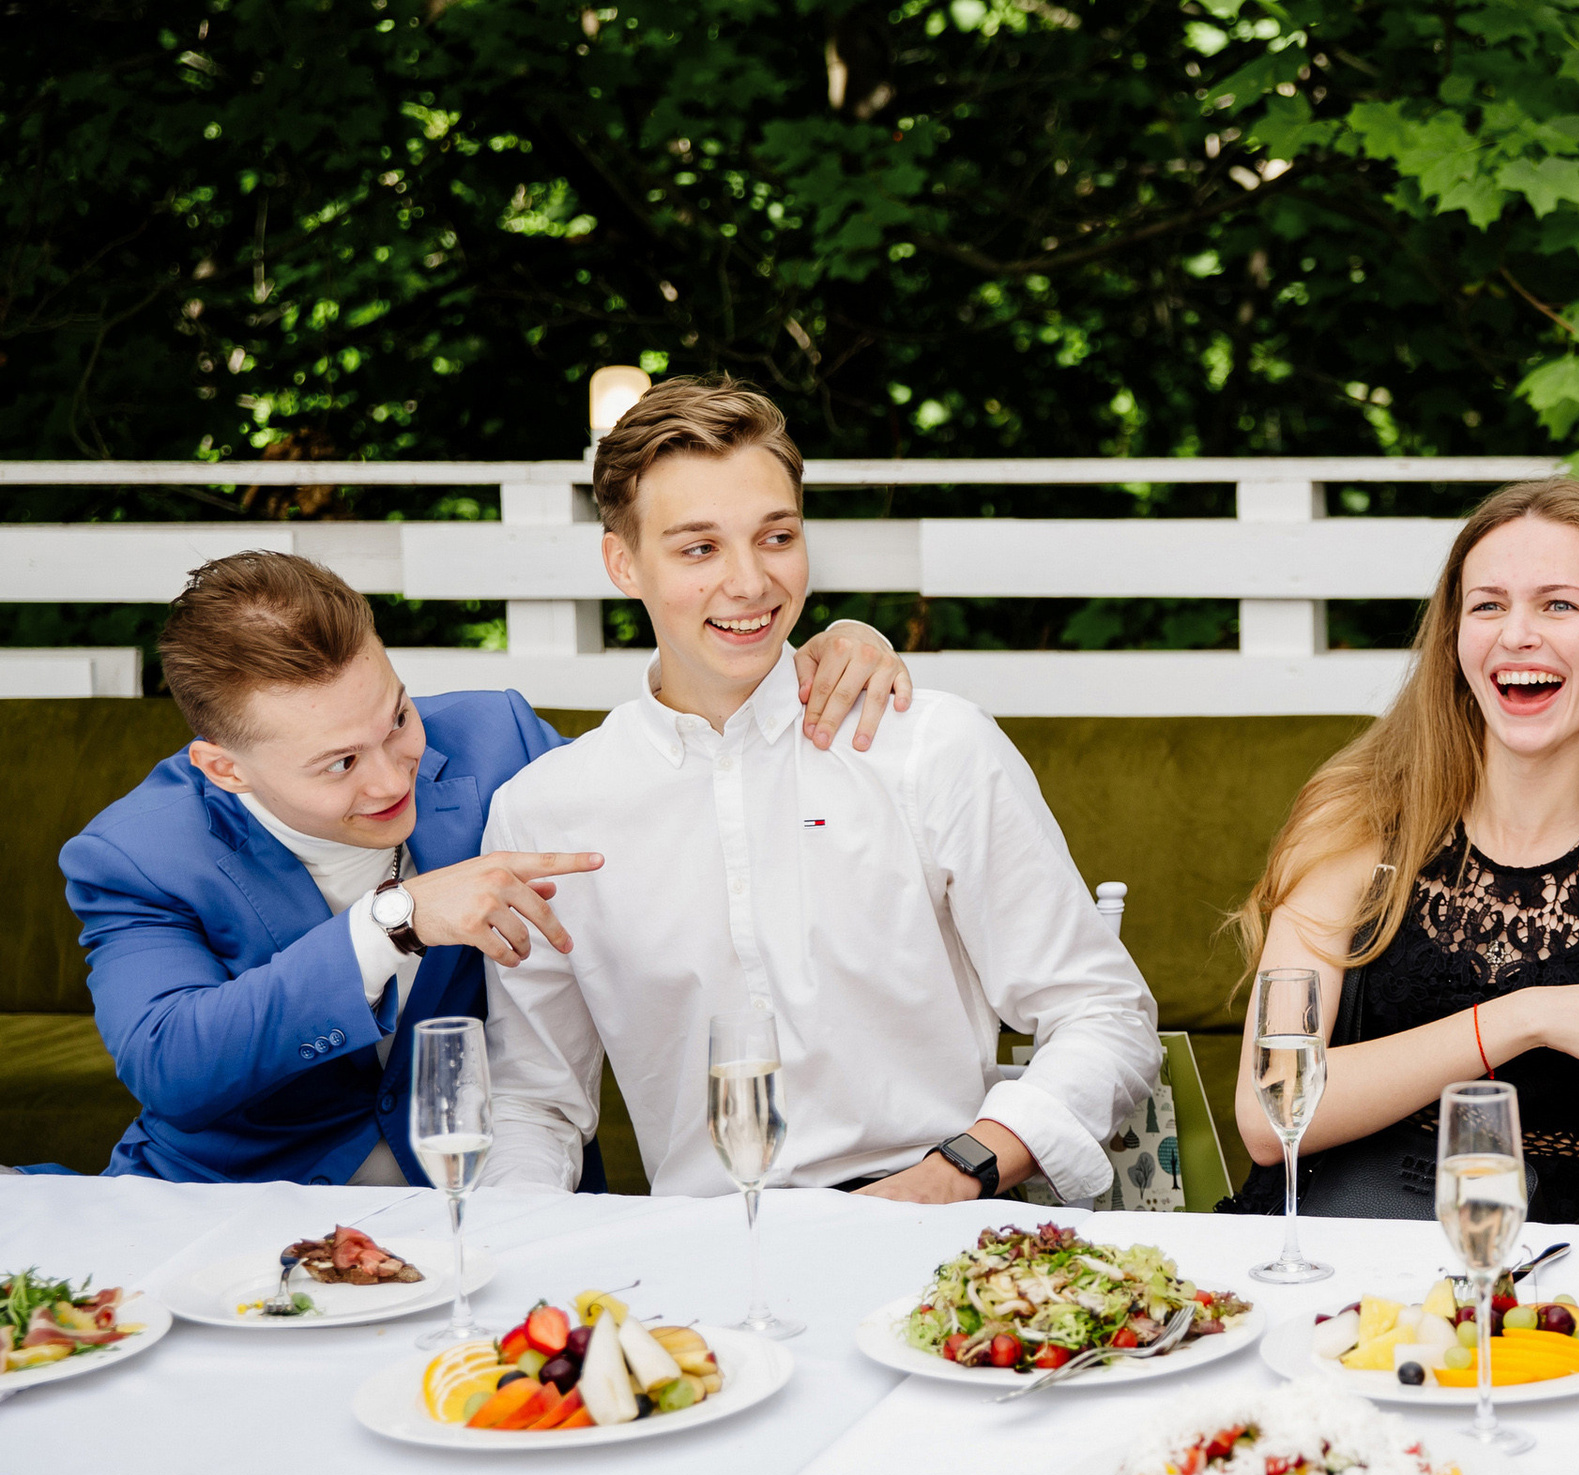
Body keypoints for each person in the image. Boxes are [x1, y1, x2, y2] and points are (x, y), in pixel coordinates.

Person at [474, 375, 1158, 1202]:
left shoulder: (930, 746)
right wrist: (514, 1252)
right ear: (624, 562)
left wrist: (953, 1176)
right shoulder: (545, 807)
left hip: (942, 1228)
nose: (751, 583)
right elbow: (534, 1103)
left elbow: (1106, 1017)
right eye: (699, 548)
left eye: (776, 536)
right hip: (704, 1257)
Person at [59, 549, 907, 1187]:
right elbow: (171, 1064)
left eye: (396, 718)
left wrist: (815, 659)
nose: (394, 778)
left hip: (505, 1194)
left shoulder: (496, 741)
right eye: (339, 765)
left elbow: (681, 793)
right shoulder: (136, 854)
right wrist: (394, 922)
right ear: (226, 769)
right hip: (245, 1213)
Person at [1227, 477, 1579, 1223]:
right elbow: (1267, 1111)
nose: (1518, 634)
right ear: (1456, 641)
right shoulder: (1358, 826)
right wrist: (1524, 1016)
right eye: (1488, 605)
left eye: (1559, 604)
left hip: (1548, 1293)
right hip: (1323, 1248)